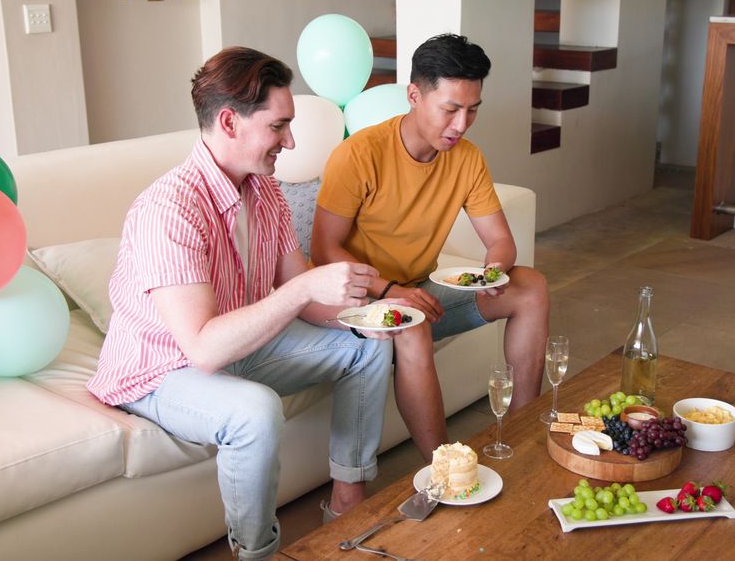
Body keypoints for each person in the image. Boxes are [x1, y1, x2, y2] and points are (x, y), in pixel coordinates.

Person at [86, 47, 398, 561]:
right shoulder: (168, 210)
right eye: (279, 126)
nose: (290, 141)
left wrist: (365, 317)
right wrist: (301, 291)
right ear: (230, 122)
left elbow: (305, 294)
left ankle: (348, 507)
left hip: (240, 343)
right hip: (160, 370)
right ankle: (257, 553)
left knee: (366, 347)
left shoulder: (264, 191)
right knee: (253, 411)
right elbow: (205, 350)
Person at [312, 34, 550, 462]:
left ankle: (523, 428)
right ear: (414, 95)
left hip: (419, 289)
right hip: (358, 298)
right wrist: (388, 291)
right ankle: (447, 467)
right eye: (450, 109)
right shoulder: (359, 155)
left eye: (472, 109)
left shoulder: (467, 158)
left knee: (530, 286)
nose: (461, 124)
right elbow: (325, 250)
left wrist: (493, 271)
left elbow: (500, 241)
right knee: (412, 322)